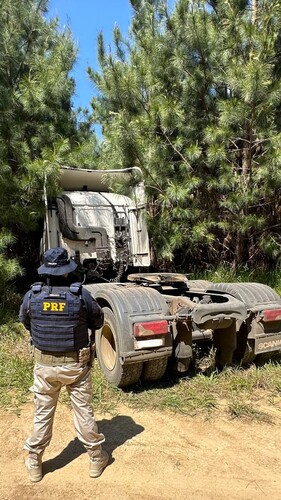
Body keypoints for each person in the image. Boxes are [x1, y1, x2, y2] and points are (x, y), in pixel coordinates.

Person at [19, 247, 109, 482]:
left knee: (42, 414)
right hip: (76, 367)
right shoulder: (80, 294)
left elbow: (25, 320)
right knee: (83, 411)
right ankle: (95, 458)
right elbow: (98, 320)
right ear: (68, 271)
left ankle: (34, 462)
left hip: (44, 367)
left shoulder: (32, 295)